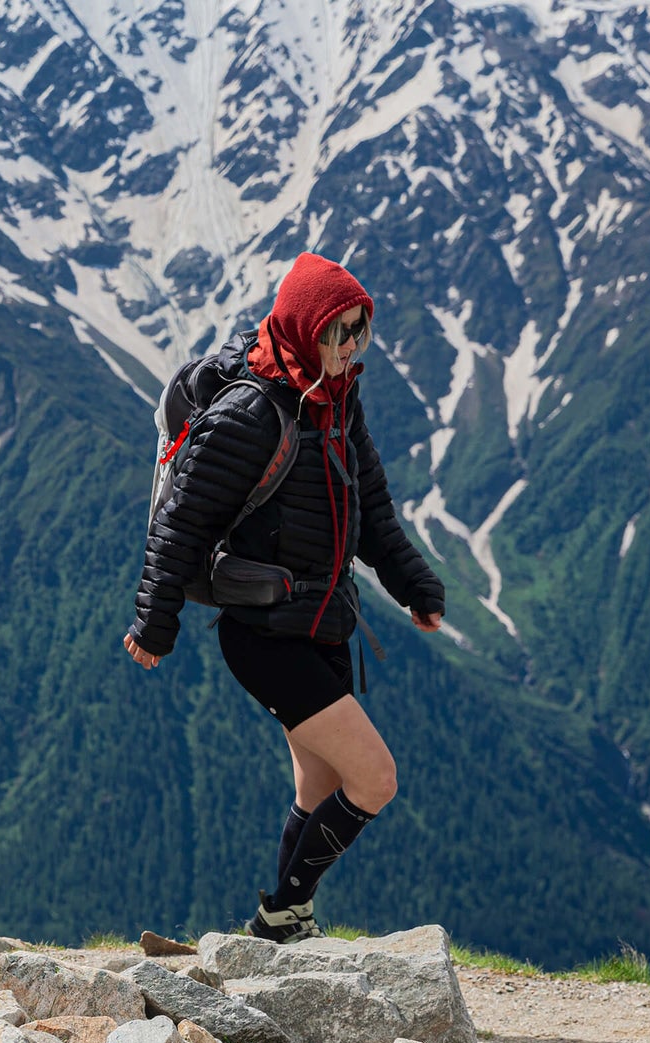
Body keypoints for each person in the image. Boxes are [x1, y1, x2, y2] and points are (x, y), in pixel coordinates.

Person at [123, 252, 447, 943]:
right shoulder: (250, 413)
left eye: (360, 330)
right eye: (339, 331)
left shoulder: (337, 398)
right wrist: (155, 622)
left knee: (319, 787)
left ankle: (286, 922)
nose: (352, 346)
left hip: (325, 625)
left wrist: (415, 585)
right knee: (374, 778)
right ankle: (279, 917)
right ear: (306, 327)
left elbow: (375, 513)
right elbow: (181, 520)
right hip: (266, 636)